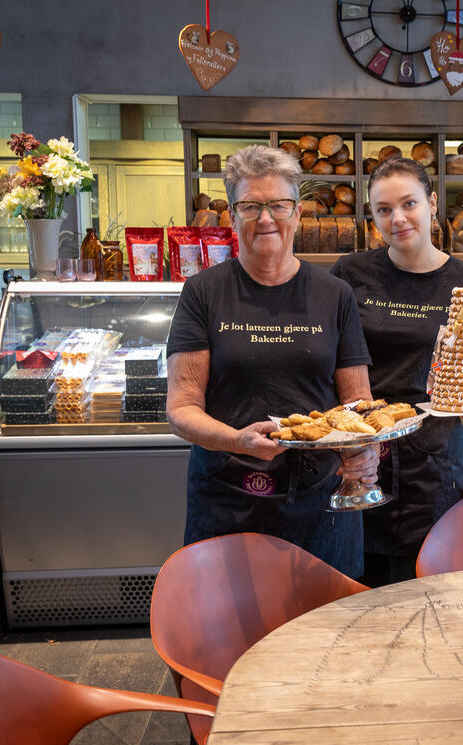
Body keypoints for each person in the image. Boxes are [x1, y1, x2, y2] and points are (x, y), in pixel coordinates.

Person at [166, 145, 378, 579]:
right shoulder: (203, 293)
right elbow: (181, 409)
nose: (265, 218)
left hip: (320, 502)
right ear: (232, 216)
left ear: (297, 214)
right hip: (228, 499)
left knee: (326, 619)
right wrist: (237, 440)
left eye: (278, 205)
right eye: (250, 206)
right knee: (229, 620)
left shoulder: (334, 295)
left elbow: (358, 404)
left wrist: (366, 451)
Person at [331, 157, 463, 586]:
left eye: (409, 203)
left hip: (435, 470)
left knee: (434, 595)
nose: (398, 219)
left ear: (432, 202)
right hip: (360, 463)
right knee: (360, 599)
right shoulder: (349, 275)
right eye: (384, 209)